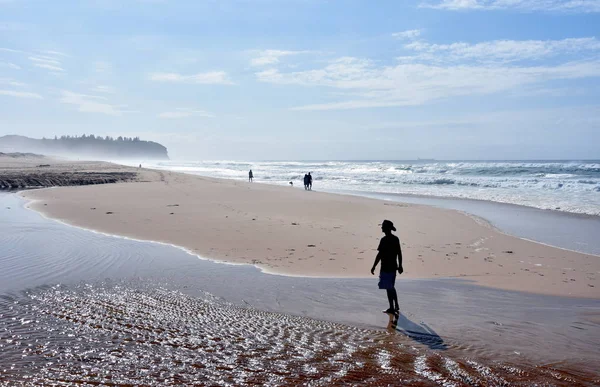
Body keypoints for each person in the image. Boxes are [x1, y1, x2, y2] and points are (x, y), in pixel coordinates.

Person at [371, 219, 403, 315]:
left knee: (389, 287)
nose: (382, 228)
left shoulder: (389, 240)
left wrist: (400, 265)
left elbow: (399, 253)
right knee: (390, 287)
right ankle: (395, 305)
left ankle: (392, 307)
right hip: (387, 266)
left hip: (389, 267)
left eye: (383, 226)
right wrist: (374, 266)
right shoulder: (387, 239)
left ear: (387, 228)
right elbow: (380, 254)